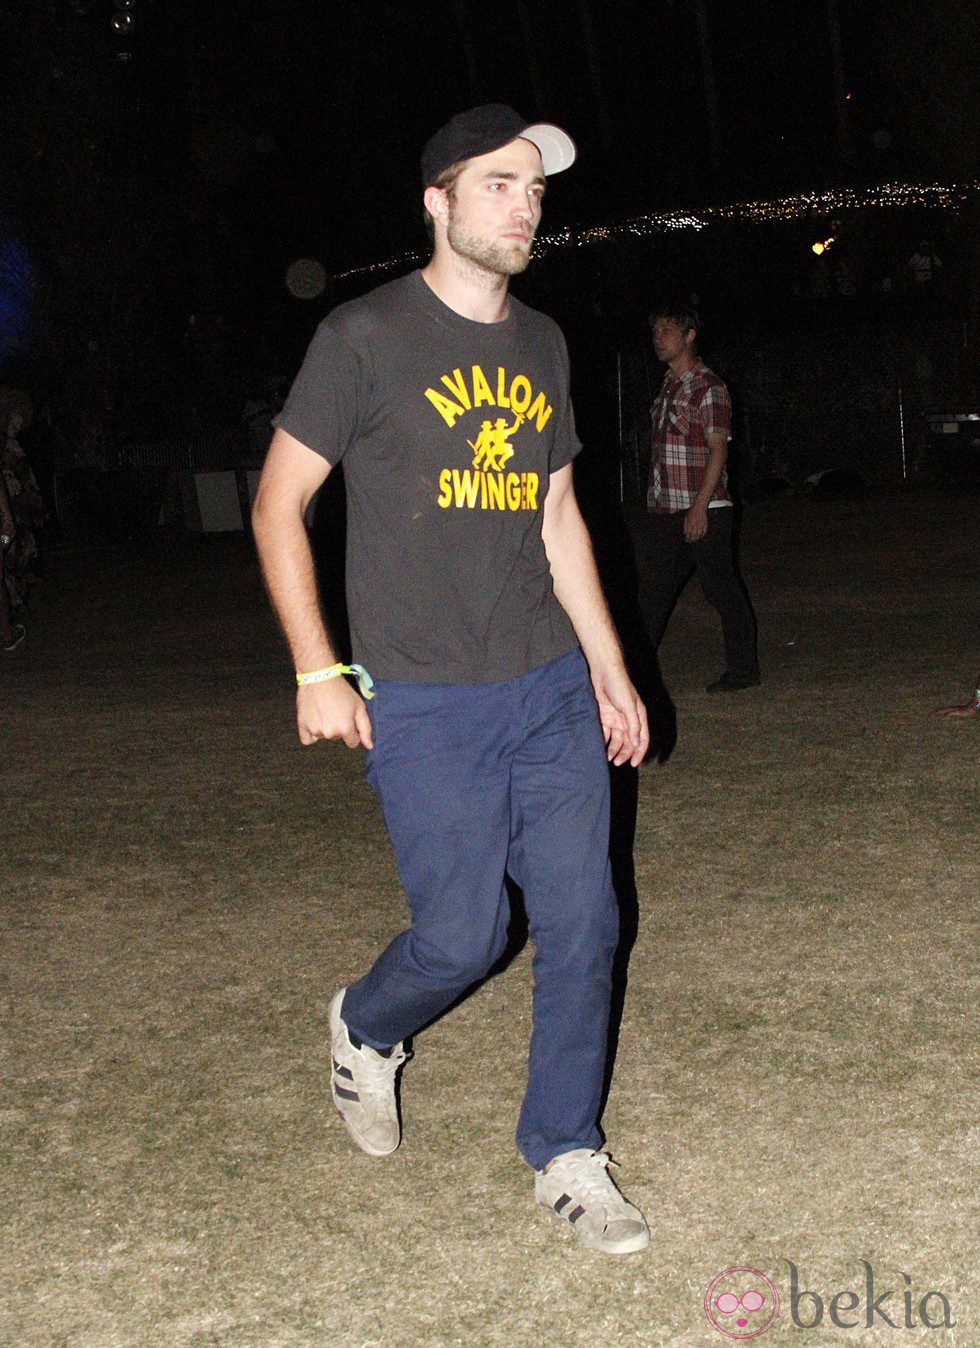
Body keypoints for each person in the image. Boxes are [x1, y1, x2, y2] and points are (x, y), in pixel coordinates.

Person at [252, 104, 651, 1255]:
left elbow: (556, 512)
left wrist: (608, 668)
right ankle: (365, 1026)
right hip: (421, 696)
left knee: (584, 916)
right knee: (464, 935)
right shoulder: (364, 337)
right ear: (436, 200)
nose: (523, 205)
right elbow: (281, 504)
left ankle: (565, 1153)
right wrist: (316, 667)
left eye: (533, 188)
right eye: (498, 183)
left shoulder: (542, 343)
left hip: (542, 684)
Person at [639, 300, 759, 692]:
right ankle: (635, 674)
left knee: (721, 589)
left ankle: (743, 671)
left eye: (667, 330)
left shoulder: (709, 388)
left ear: (689, 335)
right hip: (666, 509)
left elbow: (718, 450)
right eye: (656, 330)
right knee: (652, 595)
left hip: (703, 507)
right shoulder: (668, 386)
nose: (659, 338)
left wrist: (700, 508)